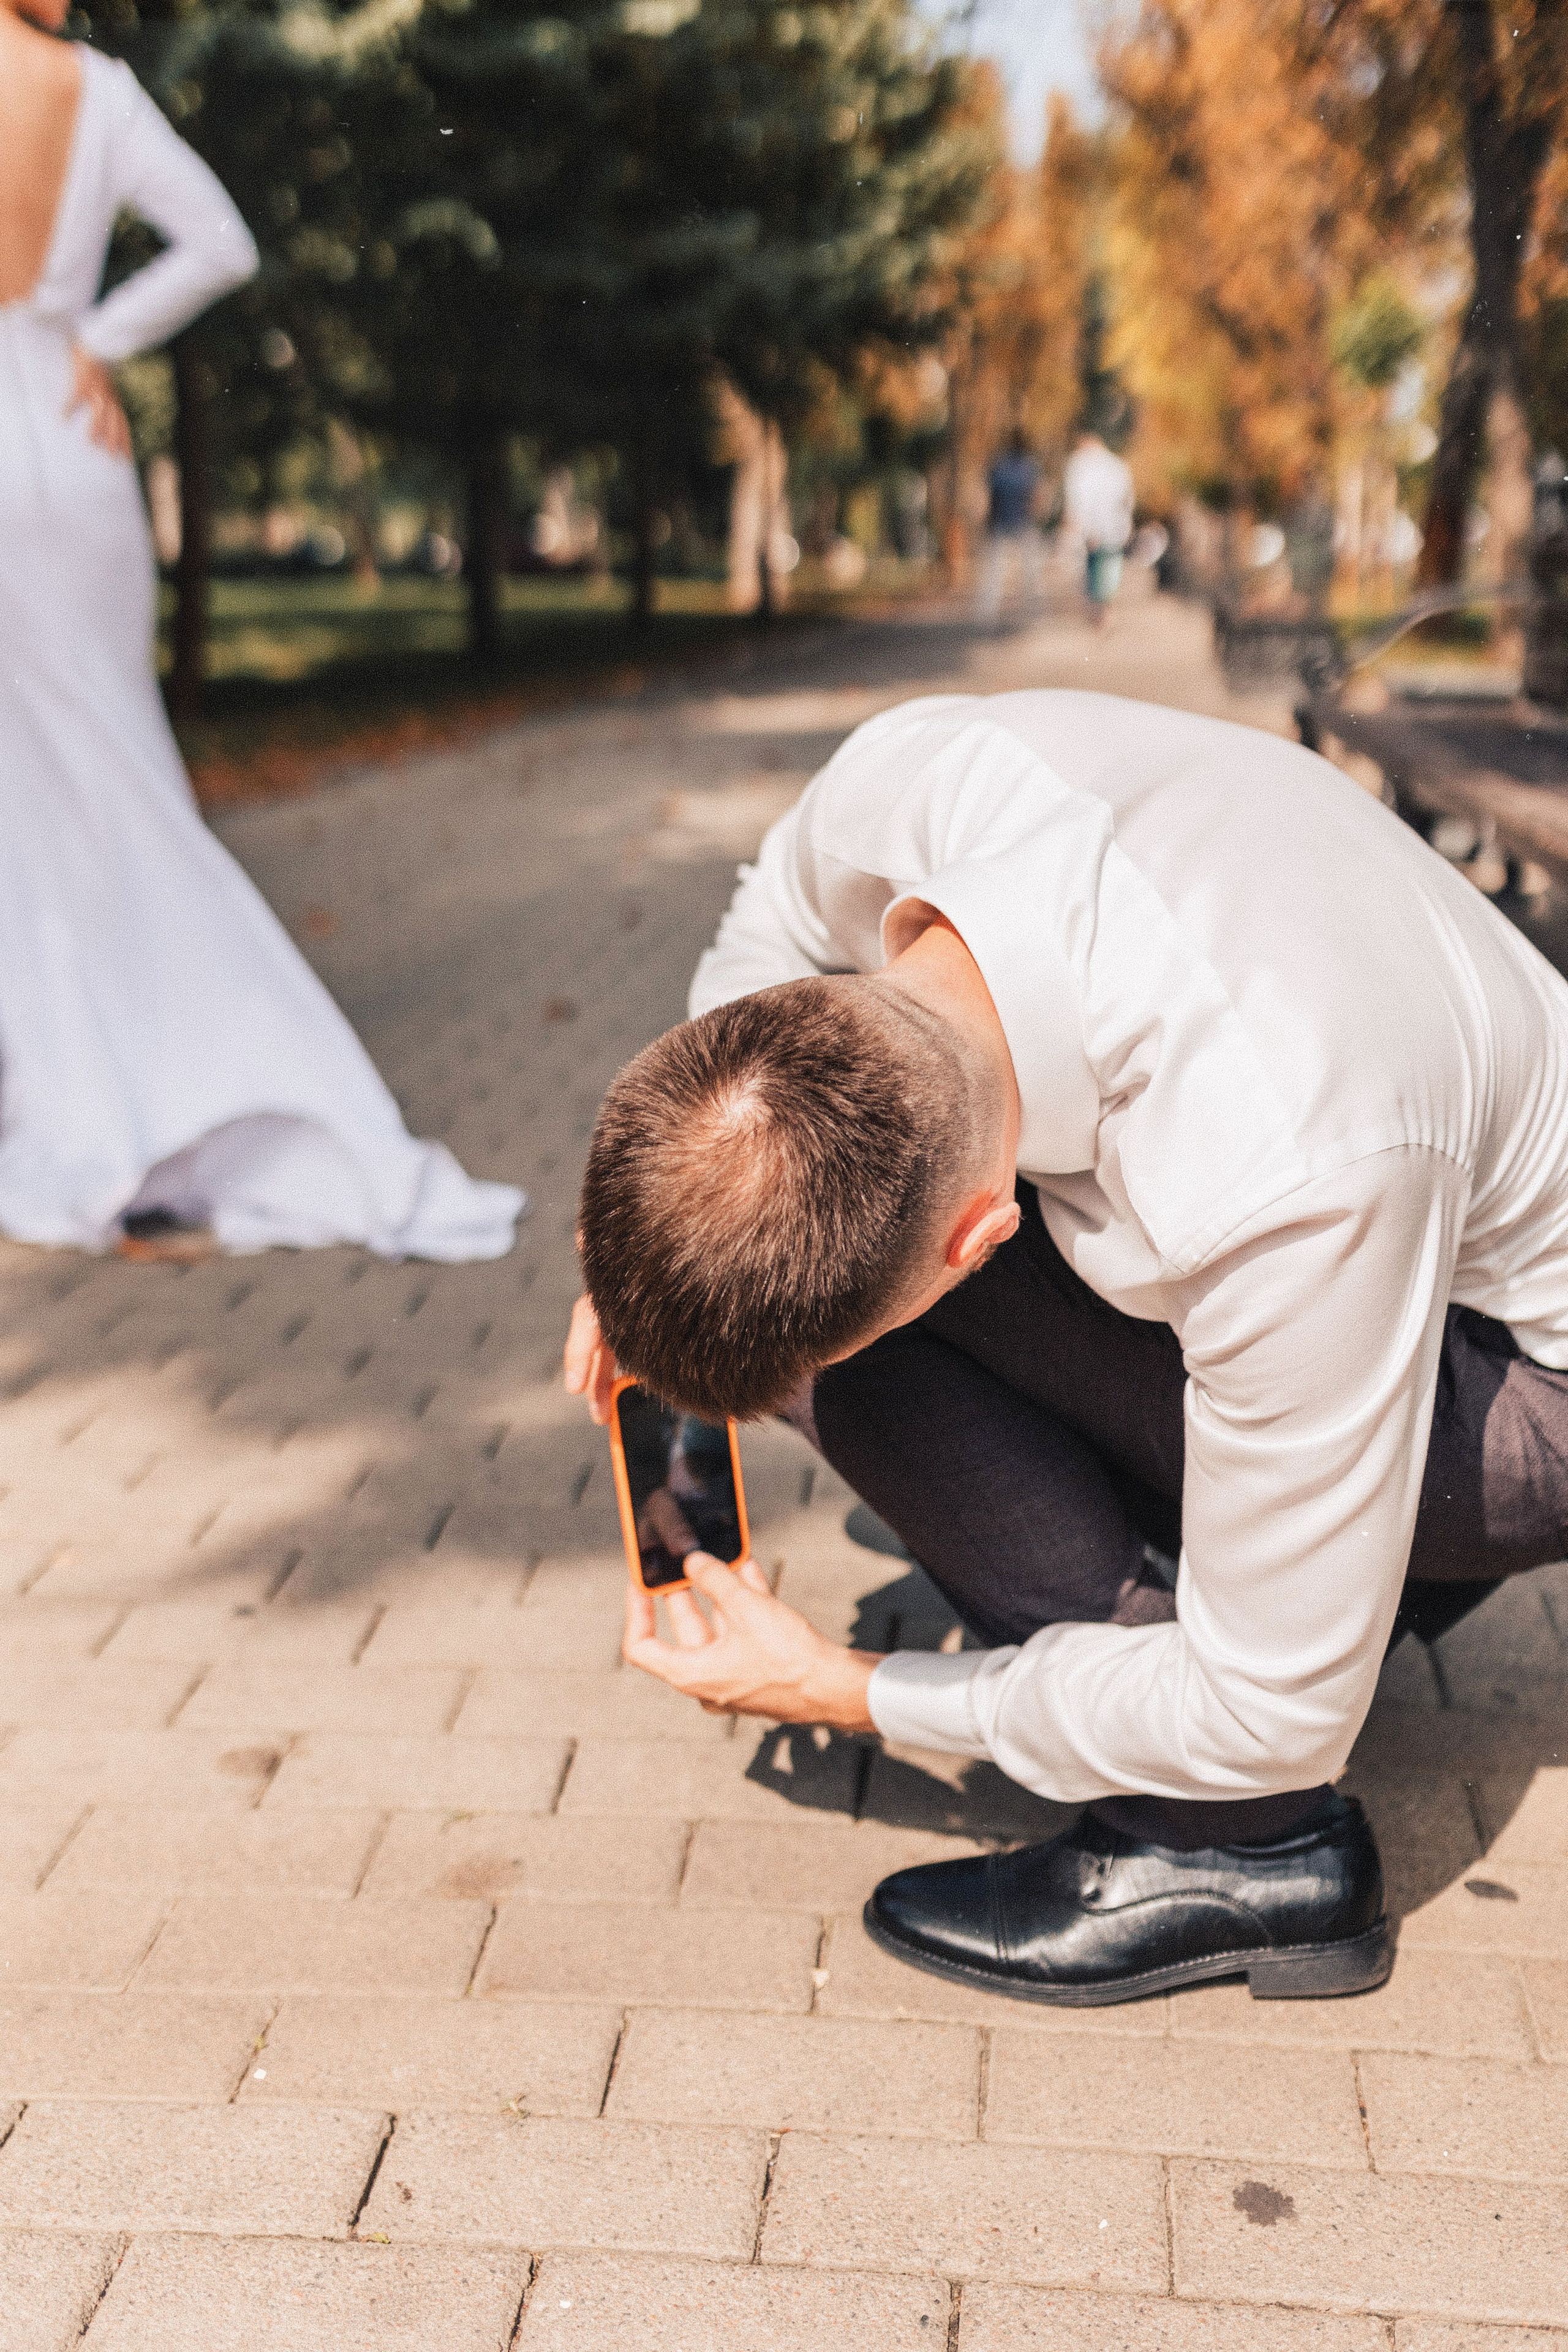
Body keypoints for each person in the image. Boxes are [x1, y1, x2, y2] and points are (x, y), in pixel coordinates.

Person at [566, 687, 1568, 2007]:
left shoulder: (1278, 1165)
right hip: (1379, 1226)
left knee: (831, 1350)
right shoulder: (908, 781)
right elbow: (765, 931)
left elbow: (1269, 1710)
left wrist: (855, 1690)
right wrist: (667, 1234)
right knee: (801, 1271)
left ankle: (1227, 1848)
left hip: (1520, 1382)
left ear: (984, 1236)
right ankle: (1265, 1560)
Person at [0, 9, 523, 1262]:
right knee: (113, 786)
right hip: (71, 461)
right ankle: (161, 1092)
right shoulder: (103, 95)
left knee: (34, 809)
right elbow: (219, 242)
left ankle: (91, 1107)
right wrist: (96, 341)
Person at [1062, 429, 1134, 625]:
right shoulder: (1117, 465)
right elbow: (1127, 498)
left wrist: (1077, 520)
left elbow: (1077, 498)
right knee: (1108, 567)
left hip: (1092, 526)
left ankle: (1097, 609)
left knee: (1092, 567)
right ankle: (1103, 609)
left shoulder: (1078, 464)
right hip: (1112, 526)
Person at [973, 431, 1044, 626]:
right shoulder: (1030, 467)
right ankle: (1034, 610)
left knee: (994, 572)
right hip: (1024, 522)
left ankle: (985, 612)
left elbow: (989, 498)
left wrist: (986, 522)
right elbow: (1036, 498)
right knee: (1030, 571)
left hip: (1000, 522)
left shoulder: (998, 465)